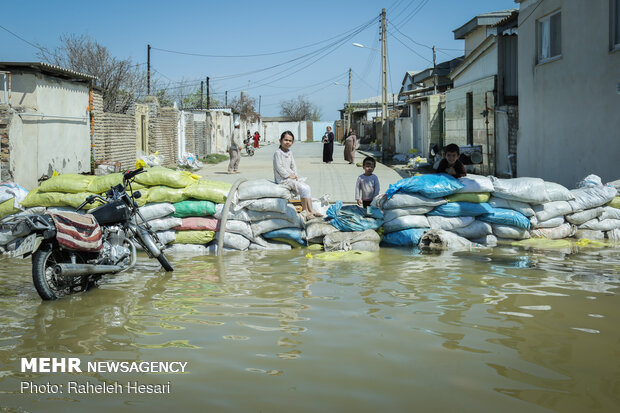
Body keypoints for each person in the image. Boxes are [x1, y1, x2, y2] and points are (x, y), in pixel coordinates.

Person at [274, 130, 323, 218]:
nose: (287, 142)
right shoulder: (278, 153)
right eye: (285, 140)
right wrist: (289, 176)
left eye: (290, 141)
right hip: (283, 179)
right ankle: (305, 211)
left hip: (291, 178)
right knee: (303, 189)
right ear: (280, 140)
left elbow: (293, 165)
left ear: (292, 142)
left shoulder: (290, 152)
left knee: (307, 187)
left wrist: (295, 175)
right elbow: (279, 168)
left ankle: (311, 210)